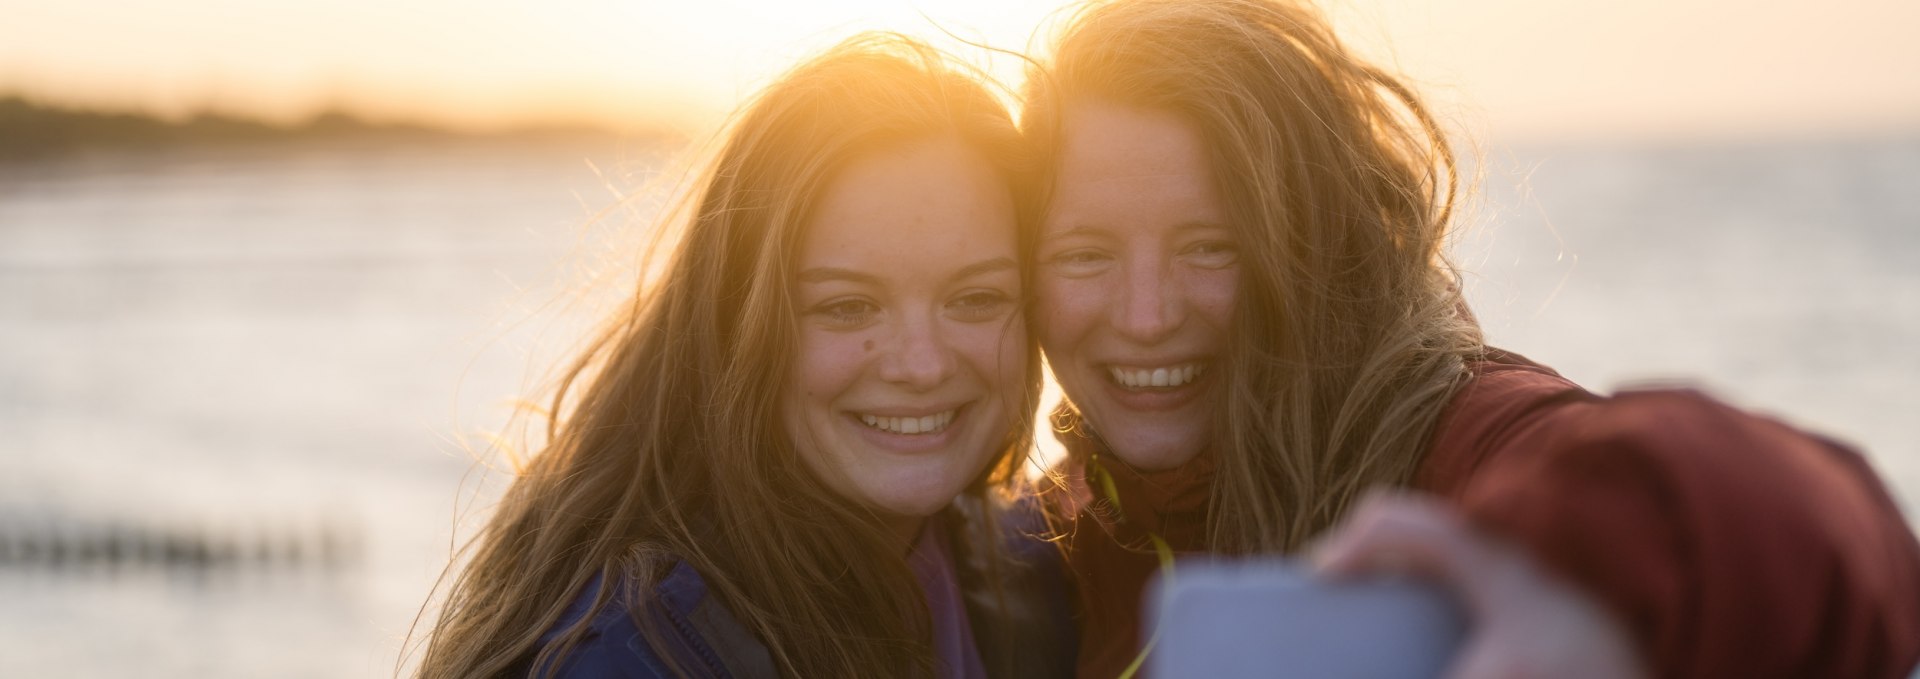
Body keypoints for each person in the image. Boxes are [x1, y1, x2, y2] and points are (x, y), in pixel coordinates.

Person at [1017, 0, 1920, 677]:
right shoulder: (1059, 537)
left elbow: (1832, 529)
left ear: (1315, 245)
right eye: (1085, 254)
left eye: (1210, 247)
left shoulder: (1452, 436)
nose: (1144, 313)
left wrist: (1589, 570)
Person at [415, 34, 1075, 678]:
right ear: (737, 323)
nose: (924, 364)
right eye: (848, 306)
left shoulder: (1027, 565)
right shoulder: (630, 652)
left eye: (977, 297)